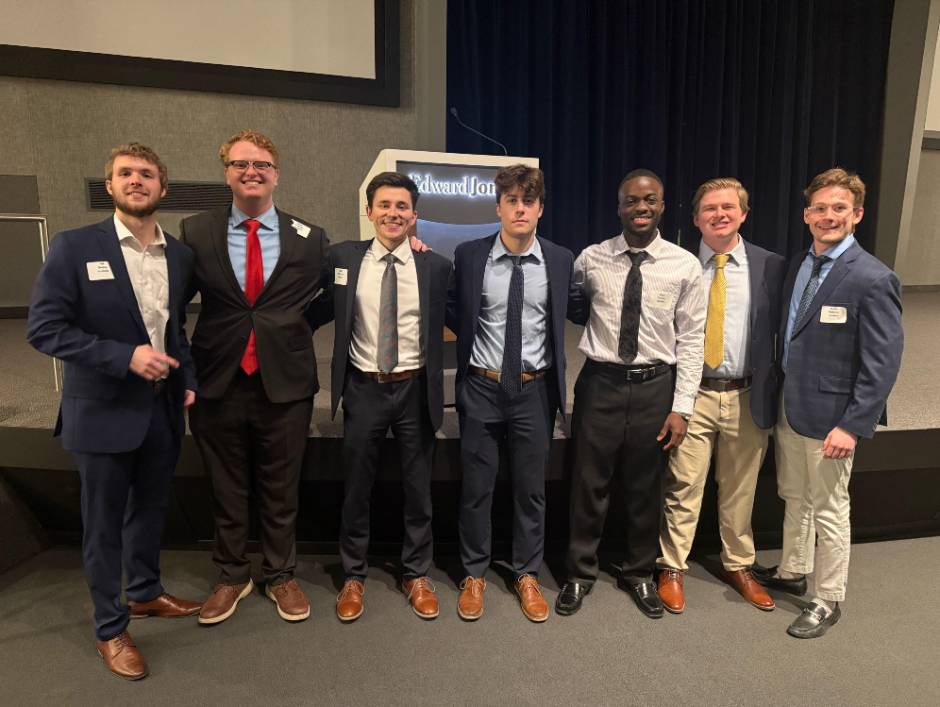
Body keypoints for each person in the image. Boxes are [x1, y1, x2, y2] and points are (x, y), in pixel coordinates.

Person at [27, 143, 201, 680]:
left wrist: (188, 380)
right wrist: (123, 357)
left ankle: (145, 592)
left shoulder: (179, 255)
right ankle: (110, 626)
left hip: (161, 409)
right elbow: (44, 329)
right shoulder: (75, 246)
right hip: (102, 410)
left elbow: (175, 328)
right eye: (125, 173)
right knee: (102, 525)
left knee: (150, 509)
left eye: (146, 174)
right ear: (110, 186)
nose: (136, 181)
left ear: (162, 187)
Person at [179, 129, 328, 625]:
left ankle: (281, 574)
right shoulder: (195, 231)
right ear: (226, 173)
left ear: (276, 174)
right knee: (226, 485)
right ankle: (231, 575)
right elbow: (173, 303)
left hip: (284, 381)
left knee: (282, 486)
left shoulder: (309, 237)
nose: (252, 172)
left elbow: (335, 291)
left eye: (261, 164)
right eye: (241, 164)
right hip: (217, 378)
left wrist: (291, 327)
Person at [754, 168, 903, 638]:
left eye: (839, 208)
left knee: (830, 508)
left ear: (857, 214)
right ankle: (793, 569)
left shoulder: (874, 278)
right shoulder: (798, 264)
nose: (828, 216)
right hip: (791, 405)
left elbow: (882, 362)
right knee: (794, 495)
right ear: (806, 215)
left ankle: (827, 598)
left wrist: (853, 424)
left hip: (833, 419)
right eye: (819, 208)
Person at [556, 169, 706, 619]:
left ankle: (639, 572)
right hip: (600, 383)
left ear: (663, 206)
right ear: (619, 207)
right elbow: (569, 301)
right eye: (632, 201)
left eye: (650, 200)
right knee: (588, 483)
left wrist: (682, 407)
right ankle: (579, 573)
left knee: (646, 487)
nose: (641, 208)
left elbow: (692, 340)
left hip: (655, 387)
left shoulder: (684, 265)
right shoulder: (591, 259)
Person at [307, 172, 453, 622]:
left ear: (414, 215)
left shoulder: (435, 266)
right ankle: (353, 574)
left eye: (402, 206)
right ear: (369, 211)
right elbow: (311, 308)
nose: (393, 213)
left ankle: (416, 573)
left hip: (415, 388)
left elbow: (459, 318)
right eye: (384, 205)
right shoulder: (342, 258)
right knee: (357, 486)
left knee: (418, 488)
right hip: (364, 387)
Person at [447, 164, 574, 622]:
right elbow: (452, 308)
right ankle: (474, 573)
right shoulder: (470, 255)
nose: (520, 209)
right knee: (476, 489)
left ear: (540, 209)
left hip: (533, 391)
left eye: (529, 201)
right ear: (498, 207)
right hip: (482, 386)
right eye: (512, 201)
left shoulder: (560, 259)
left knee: (531, 491)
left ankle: (526, 573)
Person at [655, 178, 785, 613]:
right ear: (696, 219)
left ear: (743, 214)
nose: (719, 215)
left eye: (728, 207)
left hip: (747, 394)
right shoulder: (678, 264)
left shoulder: (770, 266)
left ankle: (739, 564)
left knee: (740, 489)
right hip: (693, 395)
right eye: (709, 208)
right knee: (683, 486)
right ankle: (672, 566)